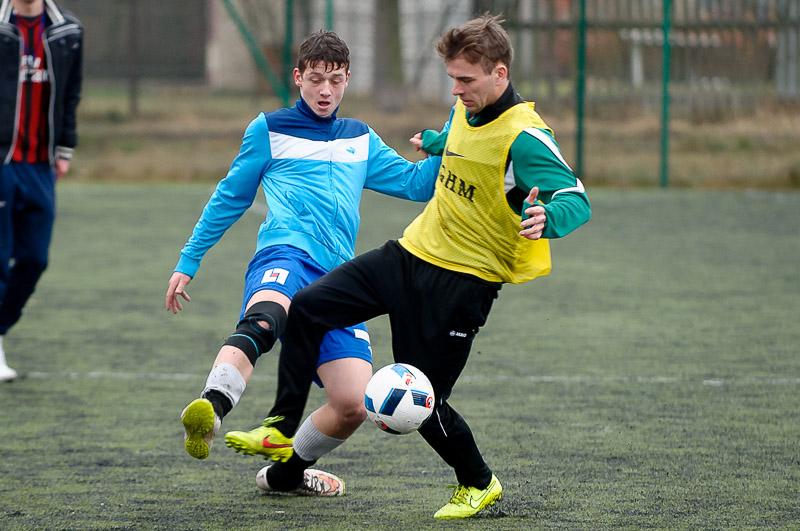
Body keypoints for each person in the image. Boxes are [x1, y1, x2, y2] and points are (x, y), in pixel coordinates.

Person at [235, 14, 591, 518]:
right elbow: (461, 145)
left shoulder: (525, 137)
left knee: (422, 403)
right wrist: (437, 141)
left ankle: (478, 482)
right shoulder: (464, 111)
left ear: (500, 74)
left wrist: (548, 216)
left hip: (463, 283)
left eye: (465, 80)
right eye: (452, 78)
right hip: (411, 254)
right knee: (309, 306)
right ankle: (280, 426)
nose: (456, 89)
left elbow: (578, 198)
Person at [167, 30, 440, 495]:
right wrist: (189, 259)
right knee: (267, 316)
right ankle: (210, 409)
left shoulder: (360, 138)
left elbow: (417, 186)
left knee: (353, 404)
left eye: (334, 80)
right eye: (315, 79)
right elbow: (229, 198)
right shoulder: (268, 129)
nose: (325, 91)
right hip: (285, 253)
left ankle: (285, 475)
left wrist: (443, 149)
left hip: (340, 278)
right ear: (298, 77)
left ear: (348, 79)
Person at [0, 0, 83, 382]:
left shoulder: (67, 31)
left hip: (40, 164)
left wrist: (64, 149)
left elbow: (70, 96)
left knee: (35, 259)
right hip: (2, 160)